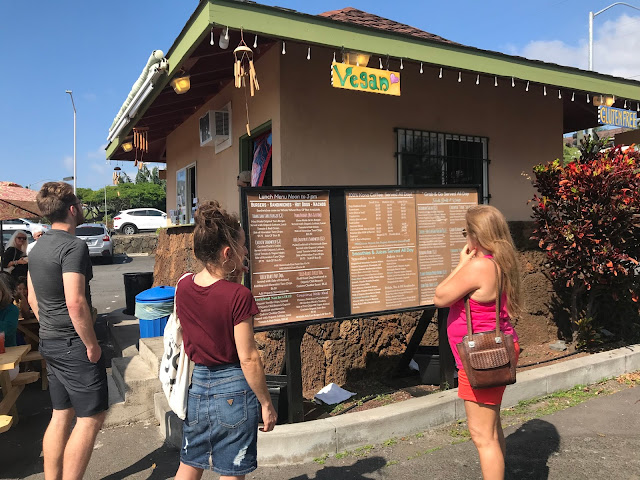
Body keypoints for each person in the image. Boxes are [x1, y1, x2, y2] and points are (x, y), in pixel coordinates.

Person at [174, 200, 277, 480]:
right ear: (227, 252)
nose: (246, 253)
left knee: (191, 462)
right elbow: (248, 357)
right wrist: (266, 403)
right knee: (230, 470)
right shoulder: (238, 296)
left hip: (198, 388)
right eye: (243, 247)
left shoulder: (183, 285)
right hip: (234, 389)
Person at [433, 205, 521, 480]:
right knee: (492, 429)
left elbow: (440, 296)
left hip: (480, 357)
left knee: (483, 436)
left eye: (465, 232)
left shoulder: (480, 266)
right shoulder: (501, 261)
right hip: (495, 350)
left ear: (475, 235)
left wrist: (462, 263)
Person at [27, 182, 108, 480]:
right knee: (91, 417)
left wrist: (49, 326)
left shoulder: (37, 249)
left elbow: (33, 299)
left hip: (50, 340)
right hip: (74, 343)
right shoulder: (73, 246)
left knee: (61, 413)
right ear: (73, 209)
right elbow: (75, 301)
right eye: (81, 204)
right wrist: (91, 344)